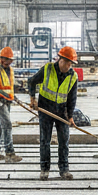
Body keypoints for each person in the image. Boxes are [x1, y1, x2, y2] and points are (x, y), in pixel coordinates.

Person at [29, 45, 78, 180]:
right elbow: (31, 81)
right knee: (45, 140)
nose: (69, 66)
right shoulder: (48, 69)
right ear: (60, 59)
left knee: (64, 141)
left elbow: (72, 98)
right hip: (45, 110)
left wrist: (71, 116)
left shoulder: (73, 76)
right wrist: (33, 99)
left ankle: (64, 170)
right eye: (67, 62)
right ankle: (44, 169)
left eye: (71, 63)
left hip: (62, 112)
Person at [0, 46, 21, 163]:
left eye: (11, 60)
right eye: (8, 59)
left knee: (0, 126)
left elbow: (8, 86)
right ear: (2, 59)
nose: (10, 61)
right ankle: (9, 153)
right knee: (7, 125)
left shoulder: (10, 70)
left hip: (7, 101)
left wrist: (13, 97)